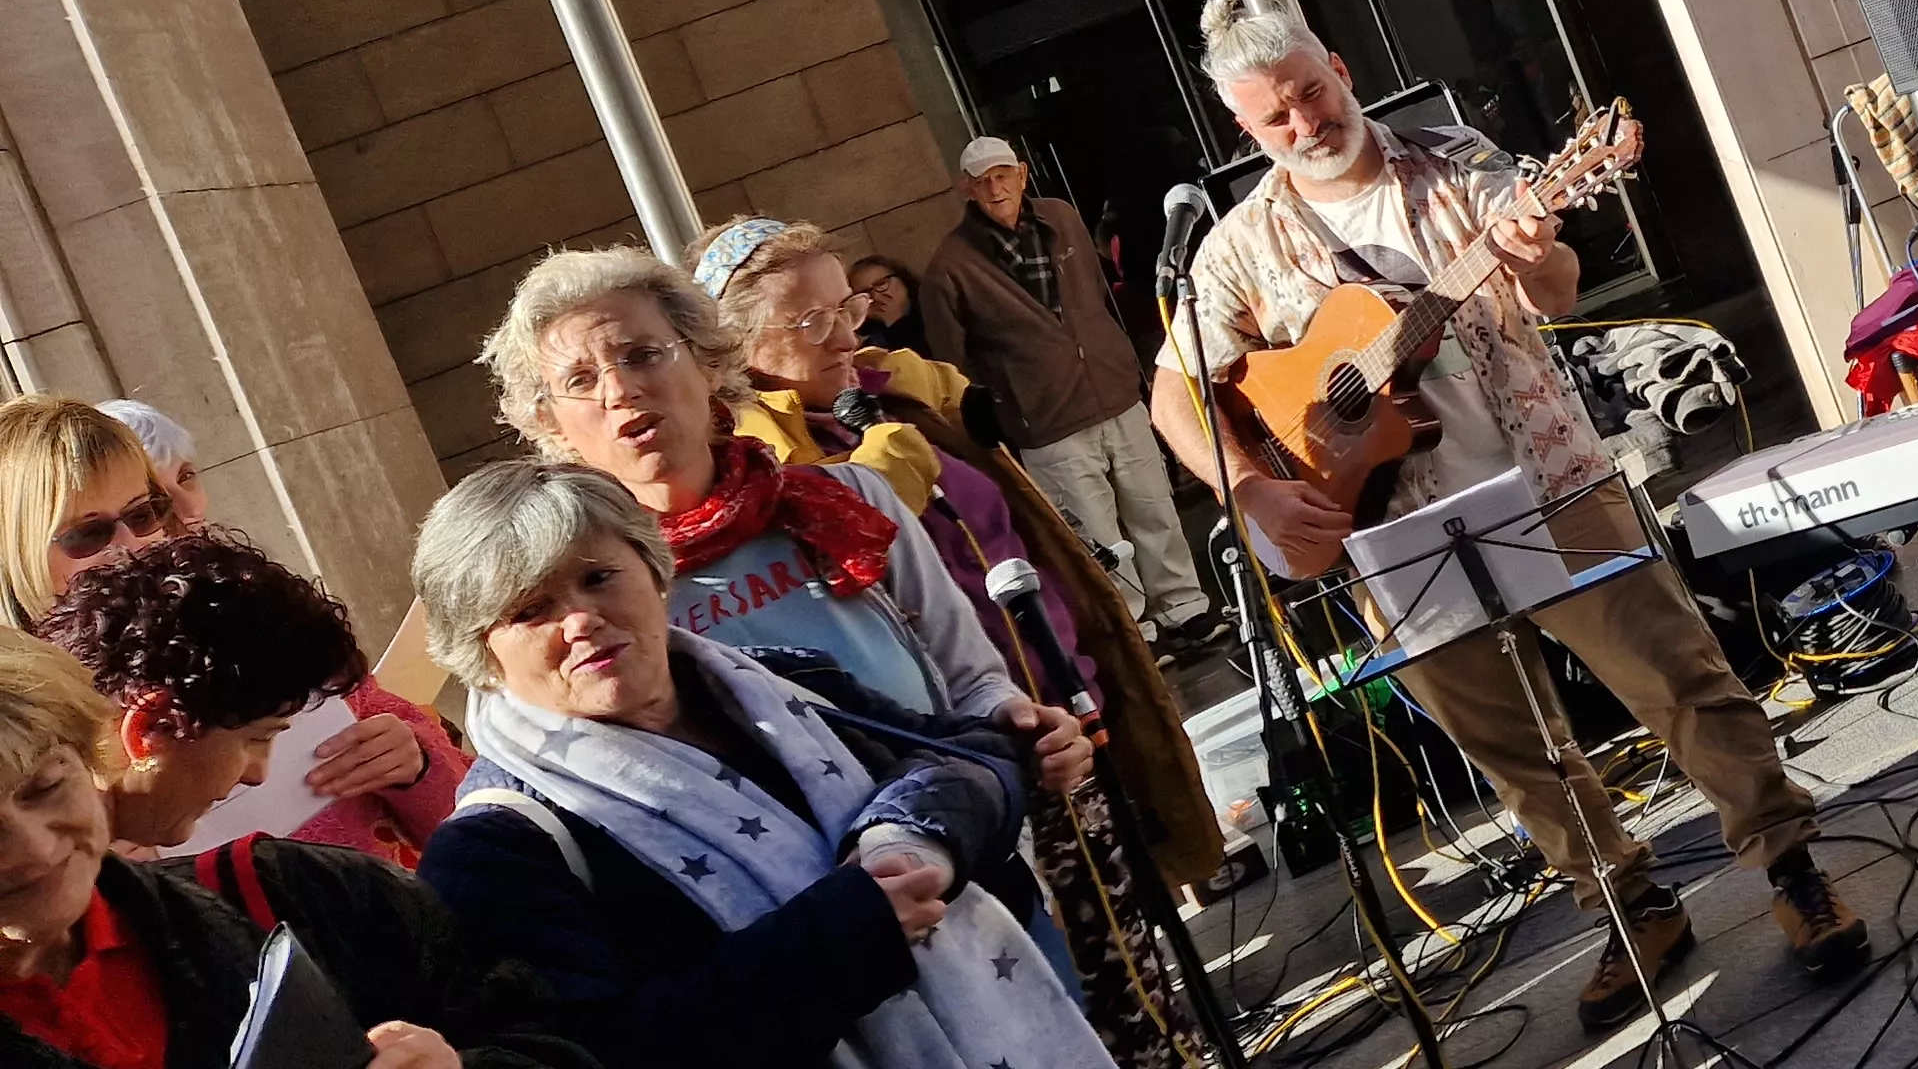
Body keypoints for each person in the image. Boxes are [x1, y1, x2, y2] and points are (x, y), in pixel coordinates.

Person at [1148, 0, 1866, 1034]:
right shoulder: (1235, 248)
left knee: (1680, 683)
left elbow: (1560, 287)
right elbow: (1176, 393)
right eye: (1276, 117)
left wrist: (1531, 249)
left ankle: (1791, 870)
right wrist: (1254, 485)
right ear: (1244, 130)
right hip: (1388, 535)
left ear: (1340, 67)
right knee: (1512, 753)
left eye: (1311, 93)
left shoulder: (1456, 162)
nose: (1305, 123)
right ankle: (1630, 908)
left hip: (1551, 481)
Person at [692, 217, 1213, 1067]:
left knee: (1135, 977)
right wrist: (861, 475)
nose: (849, 334)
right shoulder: (766, 463)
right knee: (1070, 1000)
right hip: (956, 772)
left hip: (1046, 708)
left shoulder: (884, 397)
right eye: (812, 320)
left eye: (848, 306)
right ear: (734, 346)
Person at [409, 460, 1100, 1069]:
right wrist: (840, 936)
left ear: (654, 574)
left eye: (598, 578)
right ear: (481, 655)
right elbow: (597, 1051)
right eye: (531, 611)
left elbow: (967, 753)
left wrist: (909, 839)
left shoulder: (782, 686)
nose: (581, 620)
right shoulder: (495, 851)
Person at [469, 247, 1094, 794]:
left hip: (969, 842)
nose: (618, 391)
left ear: (708, 363)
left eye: (642, 355)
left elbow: (973, 680)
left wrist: (1019, 727)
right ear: (549, 422)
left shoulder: (848, 498)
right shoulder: (568, 594)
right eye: (579, 379)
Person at [0, 626, 589, 1069]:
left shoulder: (300, 895)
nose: (31, 846)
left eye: (46, 787)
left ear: (89, 760)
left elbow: (555, 1039)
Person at [0, 397, 462, 865]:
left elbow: (473, 824)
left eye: (143, 514)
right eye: (87, 534)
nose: (130, 546)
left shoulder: (250, 618)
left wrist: (416, 766)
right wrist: (102, 878)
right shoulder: (22, 724)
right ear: (16, 554)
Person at [917, 138, 1219, 652]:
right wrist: (1005, 410)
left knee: (1154, 508)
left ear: (1022, 174)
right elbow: (954, 363)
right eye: (982, 180)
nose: (996, 188)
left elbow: (1099, 296)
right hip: (1045, 419)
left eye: (1003, 174)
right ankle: (1136, 633)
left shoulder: (1062, 218)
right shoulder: (949, 267)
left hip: (1114, 390)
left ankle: (1186, 610)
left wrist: (1120, 361)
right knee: (1098, 537)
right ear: (964, 188)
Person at [846, 257, 926, 358]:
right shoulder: (869, 350)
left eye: (881, 284)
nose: (876, 296)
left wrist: (897, 322)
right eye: (865, 293)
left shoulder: (933, 310)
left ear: (902, 279)